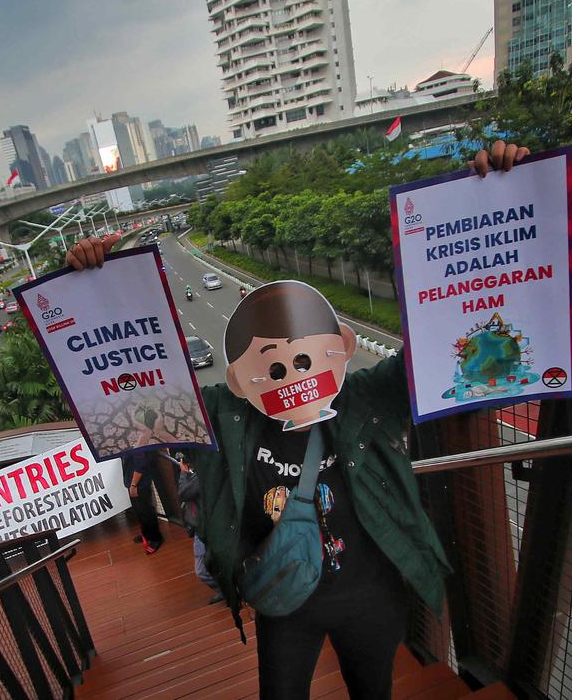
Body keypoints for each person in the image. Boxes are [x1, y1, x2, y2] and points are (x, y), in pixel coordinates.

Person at [65, 141, 529, 698]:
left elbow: (447, 343)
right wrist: (87, 288)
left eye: (306, 359)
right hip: (283, 598)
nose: (293, 374)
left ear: (342, 349)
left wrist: (494, 192)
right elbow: (128, 385)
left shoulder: (366, 397)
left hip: (372, 596)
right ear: (241, 377)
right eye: (274, 366)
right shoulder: (224, 415)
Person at [175, 452, 222, 604]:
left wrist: (183, 473)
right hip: (207, 525)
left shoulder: (205, 474)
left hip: (206, 527)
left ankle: (228, 590)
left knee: (202, 570)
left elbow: (184, 493)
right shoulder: (204, 471)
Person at [121, 449, 165, 554]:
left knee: (146, 511)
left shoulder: (138, 443)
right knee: (139, 511)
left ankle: (156, 538)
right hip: (132, 481)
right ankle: (146, 533)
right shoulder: (127, 443)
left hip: (139, 483)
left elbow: (140, 466)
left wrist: (133, 485)